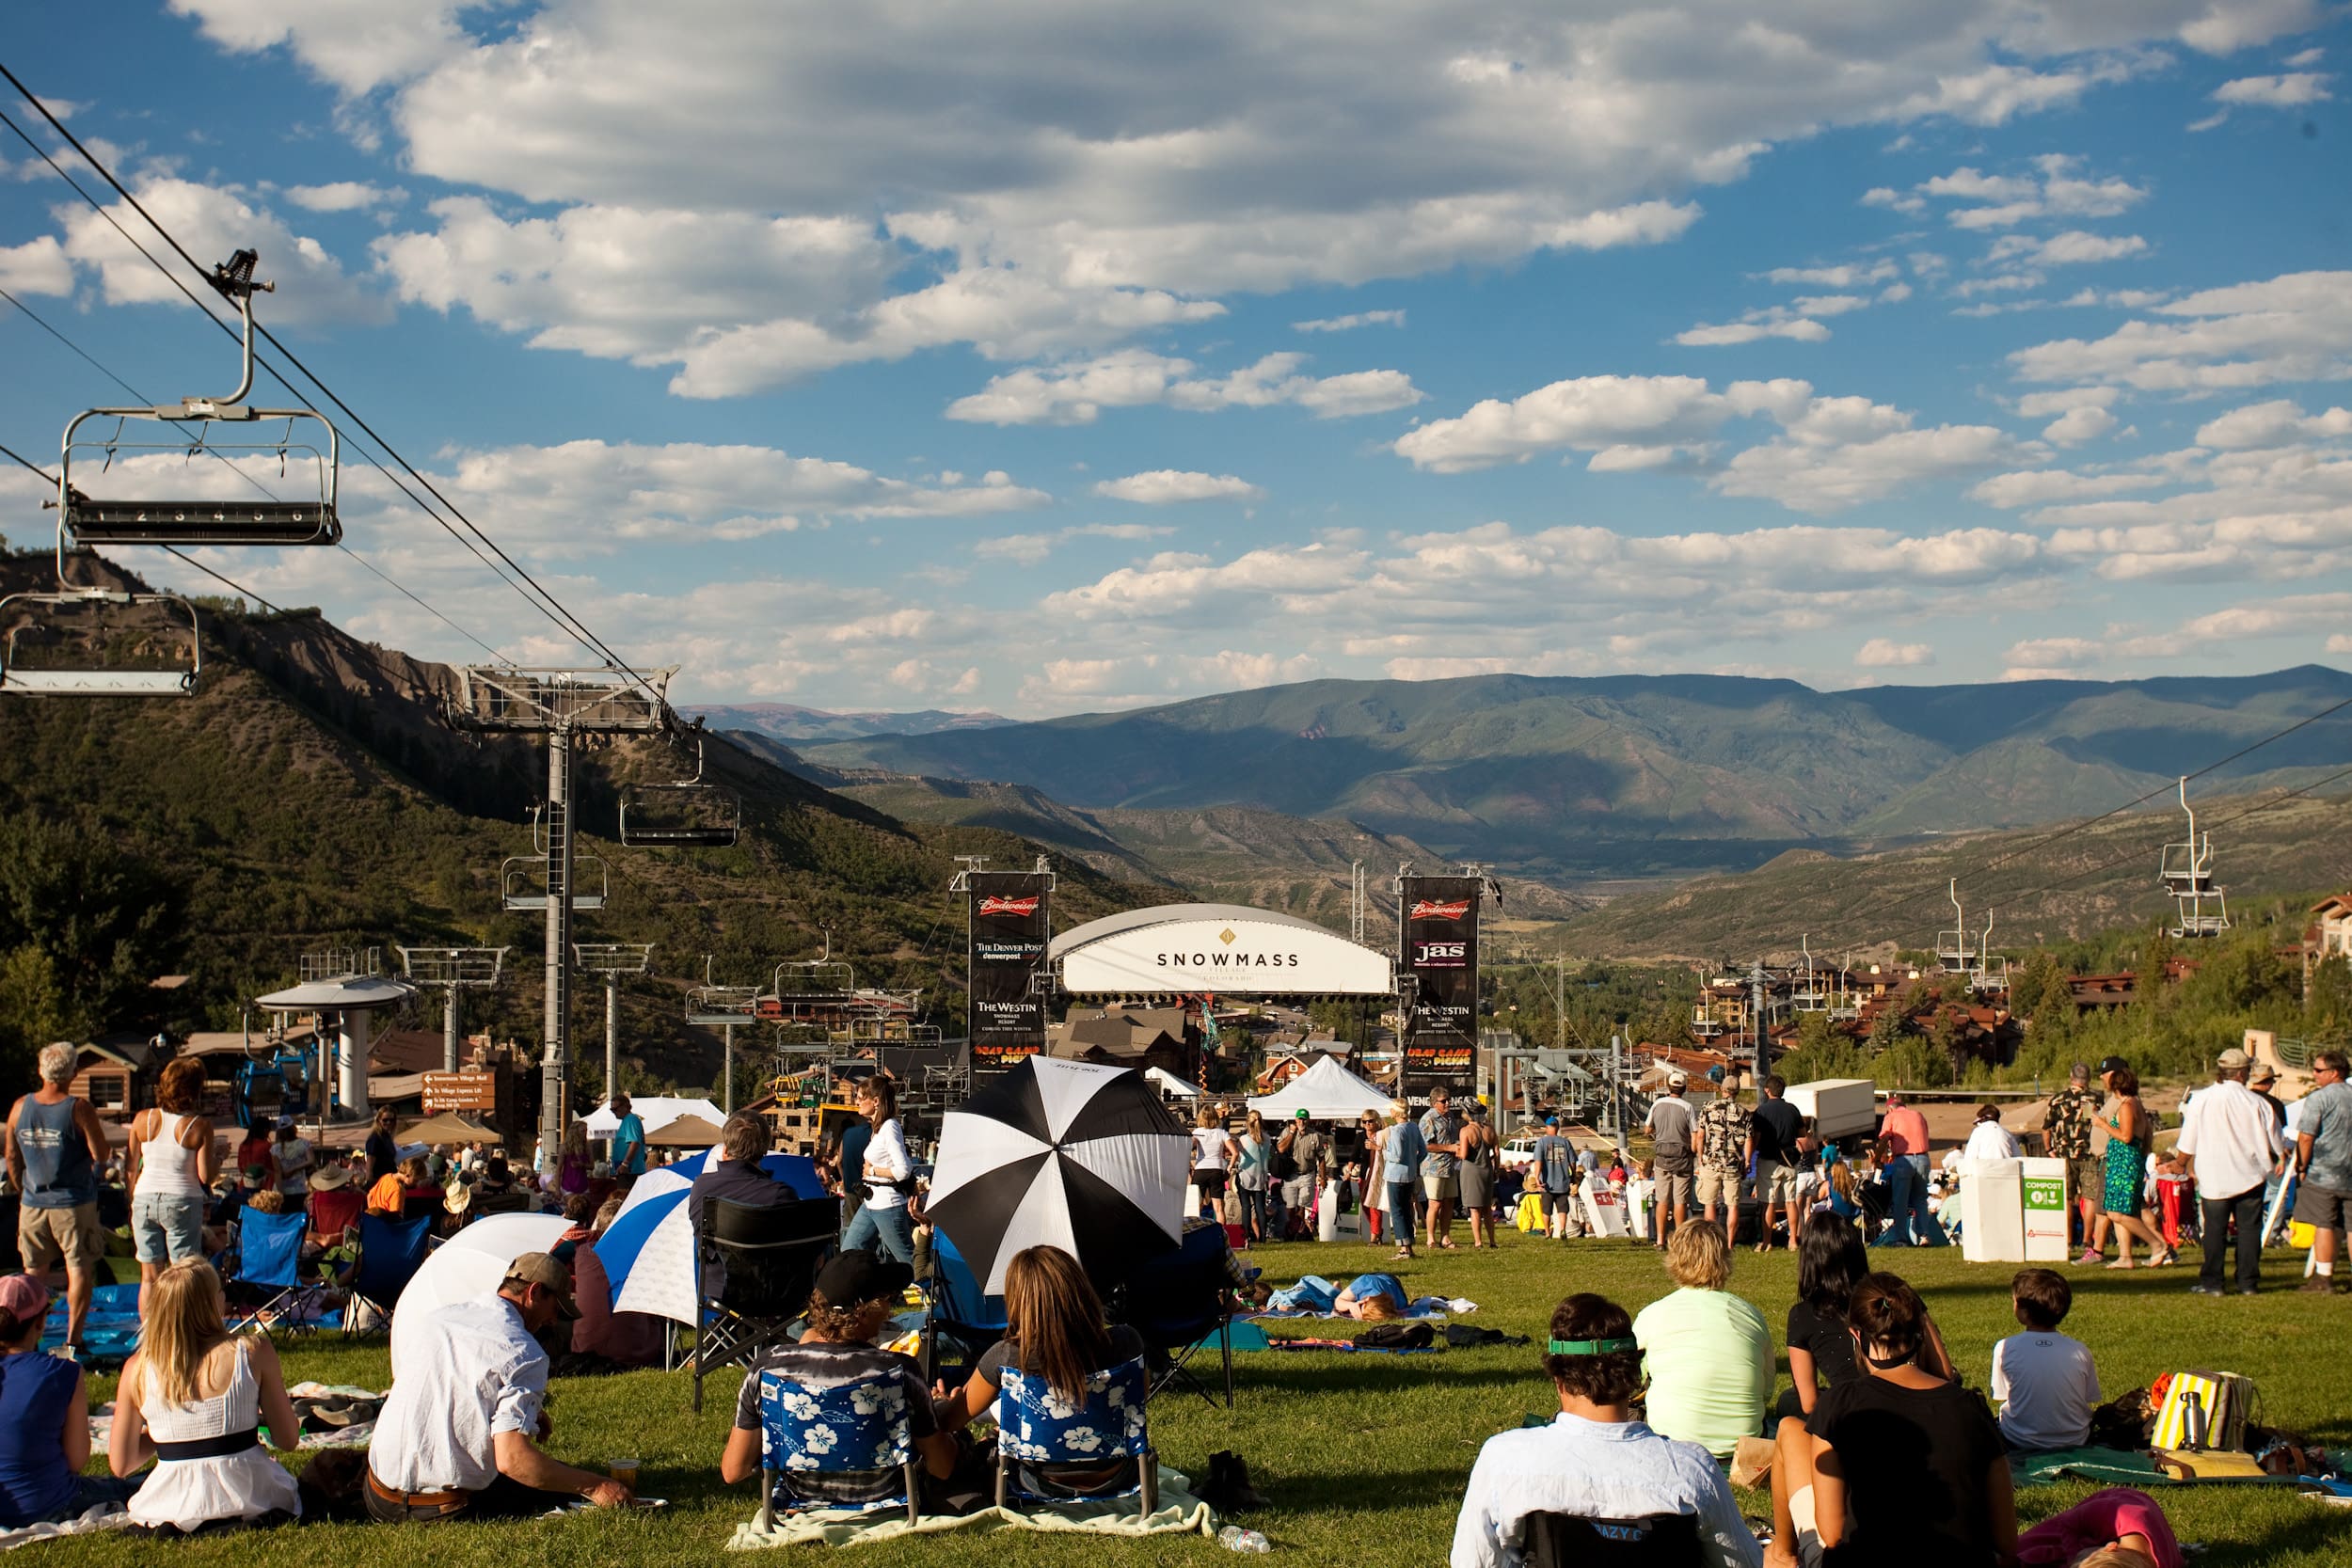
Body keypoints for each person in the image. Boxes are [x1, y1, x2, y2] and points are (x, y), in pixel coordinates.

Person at [1451, 1291, 1760, 1568]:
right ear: (1634, 1376)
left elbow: (1474, 1560)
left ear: (1558, 1378)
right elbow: (1744, 1563)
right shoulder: (1691, 1469)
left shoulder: (1506, 1459)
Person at [1769, 1272, 2013, 1568]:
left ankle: (1782, 1556)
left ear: (1856, 1335)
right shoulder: (1971, 1408)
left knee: (1789, 1431)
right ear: (1920, 1331)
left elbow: (1831, 1534)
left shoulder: (1838, 1405)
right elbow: (2007, 1541)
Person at [366, 1252, 630, 1520]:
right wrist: (595, 1486)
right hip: (442, 1509)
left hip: (377, 1496)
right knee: (548, 1479)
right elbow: (512, 1460)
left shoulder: (439, 1318)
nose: (553, 1321)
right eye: (556, 1309)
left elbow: (442, 1387)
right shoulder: (524, 1352)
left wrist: (530, 1413)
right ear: (535, 1292)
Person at [724, 1251, 954, 1507]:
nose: (890, 1311)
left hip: (802, 1499)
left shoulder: (767, 1368)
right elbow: (942, 1467)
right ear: (864, 1313)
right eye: (887, 1300)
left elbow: (734, 1470)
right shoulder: (900, 1371)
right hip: (884, 1499)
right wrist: (939, 1412)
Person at [930, 1244, 1146, 1496]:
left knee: (976, 1447)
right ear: (1080, 1289)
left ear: (1017, 1302)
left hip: (1036, 1481)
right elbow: (1138, 1399)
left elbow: (949, 1421)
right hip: (1118, 1475)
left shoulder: (1006, 1355)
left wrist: (940, 1402)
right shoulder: (1126, 1342)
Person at [108, 1260, 303, 1532]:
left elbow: (121, 1463)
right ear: (211, 1303)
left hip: (169, 1504)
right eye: (220, 1291)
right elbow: (288, 1439)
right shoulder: (252, 1352)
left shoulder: (136, 1369)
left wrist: (169, 1430)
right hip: (250, 1495)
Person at [0, 1274, 138, 1526]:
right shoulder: (60, 1372)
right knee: (144, 1484)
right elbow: (76, 1460)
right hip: (46, 1503)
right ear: (41, 1323)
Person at [1629, 1221, 1772, 1461]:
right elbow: (1765, 1390)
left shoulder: (1653, 1315)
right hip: (1742, 1445)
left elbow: (1633, 1380)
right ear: (1725, 1258)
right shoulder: (1751, 1314)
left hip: (1670, 1443)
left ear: (1675, 1257)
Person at [7, 1043, 109, 1354]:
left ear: (41, 1070)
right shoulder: (78, 1108)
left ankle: (25, 1341)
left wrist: (23, 1189)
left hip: (32, 1202)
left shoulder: (19, 1107)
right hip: (73, 1203)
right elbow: (101, 1153)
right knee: (78, 1269)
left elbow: (11, 1154)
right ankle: (73, 1341)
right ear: (74, 1073)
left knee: (32, 1273)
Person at [2176, 1047, 2284, 1297]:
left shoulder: (2201, 1099)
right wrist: (2281, 1155)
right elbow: (2276, 1140)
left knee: (2214, 1231)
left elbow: (2187, 1142)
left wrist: (2180, 1162)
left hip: (2215, 1176)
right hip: (2251, 1174)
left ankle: (2213, 1283)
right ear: (2242, 1072)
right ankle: (2248, 1282)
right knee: (2249, 1230)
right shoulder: (2258, 1102)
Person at [126, 1056, 217, 1319]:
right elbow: (205, 1177)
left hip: (144, 1197)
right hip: (181, 1199)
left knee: (149, 1277)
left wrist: (130, 1196)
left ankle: (149, 1337)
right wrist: (218, 1158)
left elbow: (131, 1167)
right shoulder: (199, 1126)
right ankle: (182, 1332)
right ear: (195, 1090)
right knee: (183, 1273)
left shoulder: (143, 1119)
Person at [1989, 1267, 2099, 1452]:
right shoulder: (2080, 1350)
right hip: (2075, 1439)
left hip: (2019, 1439)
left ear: (2023, 1312)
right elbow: (2088, 1397)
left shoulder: (2006, 1348)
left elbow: (2002, 1395)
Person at [2097, 1065, 2175, 1270]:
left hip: (2124, 1164)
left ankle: (2157, 1245)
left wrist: (2103, 1124)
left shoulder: (2126, 1106)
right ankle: (2125, 1257)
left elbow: (2126, 1136)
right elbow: (2148, 1132)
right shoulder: (2136, 1104)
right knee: (2126, 1211)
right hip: (2130, 1162)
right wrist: (2145, 1153)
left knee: (2116, 1213)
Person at [2292, 1048, 2352, 1293]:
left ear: (2333, 1072)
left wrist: (2301, 1166)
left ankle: (2324, 1277)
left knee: (2324, 1223)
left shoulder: (2319, 1098)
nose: (2314, 1074)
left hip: (2325, 1171)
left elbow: (2306, 1137)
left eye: (2318, 1070)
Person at [842, 1075, 915, 1263]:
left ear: (875, 1101)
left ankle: (936, 1291)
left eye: (860, 1097)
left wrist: (873, 1171)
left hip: (887, 1205)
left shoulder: (890, 1127)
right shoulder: (879, 1129)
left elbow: (903, 1170)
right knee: (850, 1249)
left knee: (907, 1261)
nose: (856, 1101)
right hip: (871, 1203)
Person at [688, 1112, 800, 1233]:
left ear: (725, 1150)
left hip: (714, 1252)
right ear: (765, 1150)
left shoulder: (700, 1187)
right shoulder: (780, 1194)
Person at [2016, 1488, 2182, 1568]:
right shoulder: (2114, 1513)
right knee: (2019, 1549)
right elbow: (2068, 1523)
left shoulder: (2161, 1563)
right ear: (2110, 1547)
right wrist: (2073, 1556)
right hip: (2123, 1499)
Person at [1869, 1089, 1947, 1249]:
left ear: (1890, 1109)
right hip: (1923, 1158)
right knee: (1920, 1199)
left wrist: (1877, 1158)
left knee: (1900, 1201)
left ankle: (1901, 1239)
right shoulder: (1918, 1115)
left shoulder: (1891, 1117)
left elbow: (1884, 1139)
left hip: (1904, 1160)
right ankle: (1924, 1235)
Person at [2044, 1063, 2105, 1250]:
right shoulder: (2094, 1099)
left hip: (2064, 1155)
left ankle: (2069, 1241)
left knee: (2067, 1199)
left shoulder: (2057, 1100)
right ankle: (2087, 1239)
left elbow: (2046, 1128)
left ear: (2071, 1077)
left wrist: (2049, 1150)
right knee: (2089, 1198)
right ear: (2089, 1079)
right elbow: (2094, 1122)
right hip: (2088, 1154)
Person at [1748, 1076, 1804, 1253]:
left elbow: (1756, 1138)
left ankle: (1767, 1242)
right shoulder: (1793, 1110)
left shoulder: (1761, 1111)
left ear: (1767, 1090)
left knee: (1768, 1202)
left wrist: (1749, 1158)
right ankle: (1793, 1241)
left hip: (1768, 1159)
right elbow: (1802, 1133)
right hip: (1789, 1161)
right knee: (1790, 1201)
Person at [1646, 1070, 1698, 1249]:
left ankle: (1660, 1240)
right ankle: (1679, 1239)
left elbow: (1647, 1129)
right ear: (1684, 1088)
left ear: (1668, 1087)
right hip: (1682, 1158)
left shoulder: (1657, 1104)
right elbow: (1694, 1135)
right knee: (1680, 1201)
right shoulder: (1688, 1107)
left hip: (1662, 1158)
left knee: (1662, 1200)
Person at [1695, 1084, 1751, 1232]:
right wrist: (1747, 1161)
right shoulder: (1744, 1112)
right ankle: (1730, 1243)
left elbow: (1700, 1135)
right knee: (1732, 1205)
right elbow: (1749, 1139)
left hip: (1711, 1161)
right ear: (1737, 1092)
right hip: (1733, 1163)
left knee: (1709, 1203)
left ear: (1722, 1090)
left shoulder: (1708, 1107)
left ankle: (1712, 1238)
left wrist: (1700, 1157)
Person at [1420, 1085, 1467, 1252]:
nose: (1447, 1104)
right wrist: (1449, 1148)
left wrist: (1458, 1148)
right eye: (1443, 1101)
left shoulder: (1450, 1117)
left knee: (1449, 1201)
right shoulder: (1428, 1119)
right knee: (1435, 1203)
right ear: (1434, 1103)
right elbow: (1426, 1145)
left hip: (1450, 1167)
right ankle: (1430, 1239)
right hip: (1433, 1167)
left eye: (1449, 1100)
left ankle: (1445, 1237)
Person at [1379, 1101, 1427, 1259]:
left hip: (1395, 1175)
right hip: (1410, 1174)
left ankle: (1403, 1248)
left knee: (1397, 1211)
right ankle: (1410, 1246)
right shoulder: (1413, 1127)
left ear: (1396, 1112)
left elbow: (1397, 1155)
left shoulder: (1397, 1130)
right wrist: (1414, 1161)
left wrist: (1383, 1151)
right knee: (1407, 1210)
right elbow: (1424, 1150)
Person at [1457, 1101, 1500, 1248]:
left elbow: (1463, 1154)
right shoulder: (1490, 1130)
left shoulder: (1466, 1131)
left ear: (1469, 1114)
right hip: (1487, 1169)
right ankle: (1492, 1241)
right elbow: (1497, 1152)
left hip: (1472, 1170)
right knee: (1487, 1208)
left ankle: (1478, 1241)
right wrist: (1496, 1169)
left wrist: (1454, 1150)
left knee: (1475, 1209)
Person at [1278, 1109, 1327, 1228]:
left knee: (1302, 1206)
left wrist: (1322, 1177)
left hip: (1307, 1174)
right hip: (1290, 1174)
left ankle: (1299, 1231)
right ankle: (1289, 1231)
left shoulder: (1315, 1136)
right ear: (1295, 1119)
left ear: (1308, 1120)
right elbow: (1280, 1149)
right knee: (1290, 1207)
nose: (1302, 1122)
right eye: (1300, 1119)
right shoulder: (1287, 1132)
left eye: (1304, 1119)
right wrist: (1291, 1133)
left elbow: (1321, 1158)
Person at [1534, 1117, 1581, 1240]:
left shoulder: (1541, 1142)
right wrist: (1573, 1175)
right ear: (1558, 1128)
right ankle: (1563, 1230)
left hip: (1547, 1183)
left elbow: (1538, 1162)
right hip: (1563, 1181)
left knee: (1546, 1210)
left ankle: (1548, 1233)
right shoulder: (1565, 1142)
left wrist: (1537, 1177)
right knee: (1562, 1209)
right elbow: (1572, 1162)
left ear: (1547, 1128)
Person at [1234, 1109, 1274, 1243]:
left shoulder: (1244, 1139)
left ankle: (1246, 1238)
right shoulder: (1267, 1138)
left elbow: (1241, 1157)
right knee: (1260, 1208)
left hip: (1246, 1175)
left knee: (1246, 1207)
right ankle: (1262, 1238)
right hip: (1261, 1176)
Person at [1190, 1104, 1233, 1224]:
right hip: (1216, 1170)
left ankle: (1196, 1234)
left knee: (1196, 1207)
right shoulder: (1222, 1133)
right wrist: (1229, 1168)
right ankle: (1221, 1235)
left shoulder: (1197, 1132)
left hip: (1201, 1169)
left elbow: (1189, 1146)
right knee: (1219, 1208)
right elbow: (1235, 1152)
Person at [368, 1154, 430, 1218]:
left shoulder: (387, 1177)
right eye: (415, 1180)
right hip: (384, 1224)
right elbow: (396, 1217)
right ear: (407, 1175)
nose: (416, 1184)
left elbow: (369, 1196)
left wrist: (372, 1212)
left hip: (372, 1220)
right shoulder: (398, 1190)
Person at [1332, 1272, 1409, 1319]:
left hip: (1393, 1288)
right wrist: (1351, 1305)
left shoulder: (1398, 1304)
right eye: (1360, 1305)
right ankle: (1338, 1291)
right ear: (1366, 1300)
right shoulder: (1363, 1283)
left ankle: (1338, 1291)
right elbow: (1338, 1302)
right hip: (1383, 1277)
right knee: (1339, 1303)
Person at [269, 1117, 312, 1200]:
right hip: (299, 1189)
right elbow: (311, 1160)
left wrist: (280, 1193)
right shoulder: (304, 1143)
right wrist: (295, 1168)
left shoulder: (275, 1149)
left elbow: (277, 1172)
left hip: (282, 1190)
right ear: (293, 1128)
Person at [608, 1094, 647, 1180]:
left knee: (625, 1193)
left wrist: (625, 1164)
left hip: (630, 1171)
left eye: (615, 1109)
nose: (613, 1112)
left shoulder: (631, 1119)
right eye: (611, 1110)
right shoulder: (627, 1120)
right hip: (626, 1170)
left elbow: (635, 1142)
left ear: (626, 1107)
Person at [363, 1107, 399, 1186]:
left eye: (391, 1120)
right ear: (379, 1120)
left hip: (389, 1181)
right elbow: (369, 1164)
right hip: (380, 1182)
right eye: (385, 1120)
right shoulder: (375, 1138)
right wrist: (370, 1183)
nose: (389, 1122)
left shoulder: (387, 1137)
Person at [558, 1121, 594, 1196]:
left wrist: (582, 1165)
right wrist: (557, 1189)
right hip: (568, 1185)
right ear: (575, 1132)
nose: (585, 1133)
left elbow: (592, 1166)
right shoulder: (565, 1147)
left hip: (583, 1185)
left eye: (586, 1130)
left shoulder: (587, 1147)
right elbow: (559, 1168)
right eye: (582, 1131)